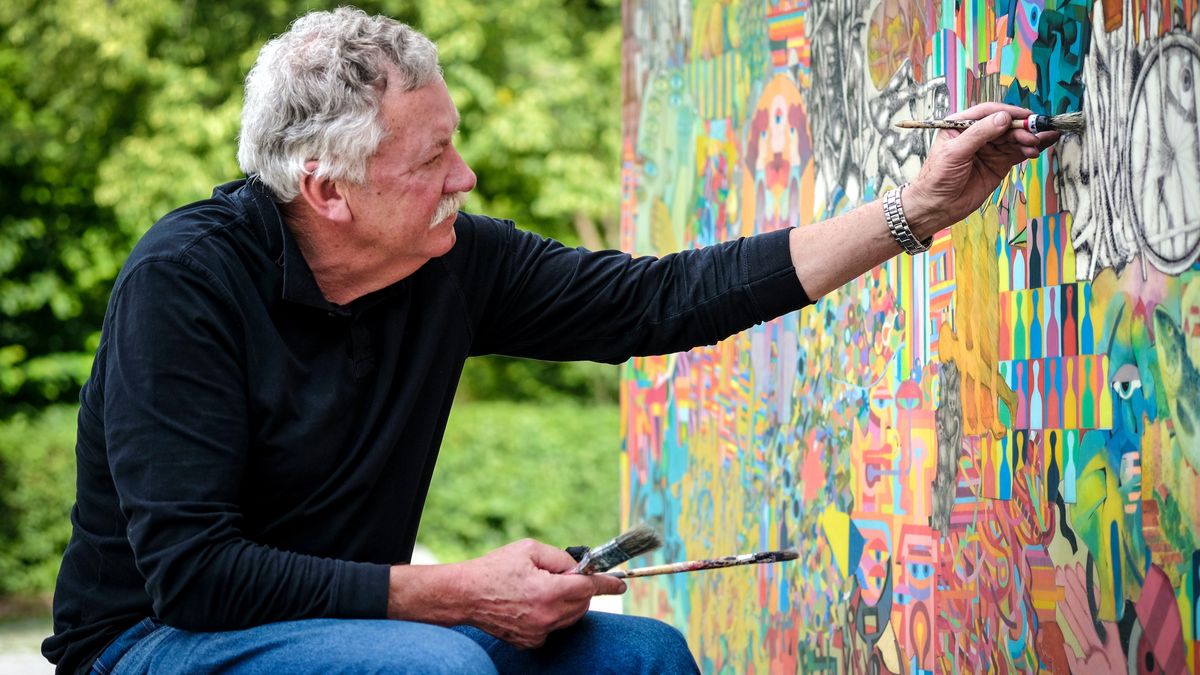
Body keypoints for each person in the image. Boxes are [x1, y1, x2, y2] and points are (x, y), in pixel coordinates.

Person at [41, 6, 1057, 675]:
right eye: (433, 157)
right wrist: (458, 595)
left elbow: (657, 302)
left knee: (645, 657)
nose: (466, 177)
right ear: (327, 191)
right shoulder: (186, 283)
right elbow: (196, 575)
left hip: (355, 626)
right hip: (154, 640)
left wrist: (914, 213)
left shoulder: (451, 262)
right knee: (443, 668)